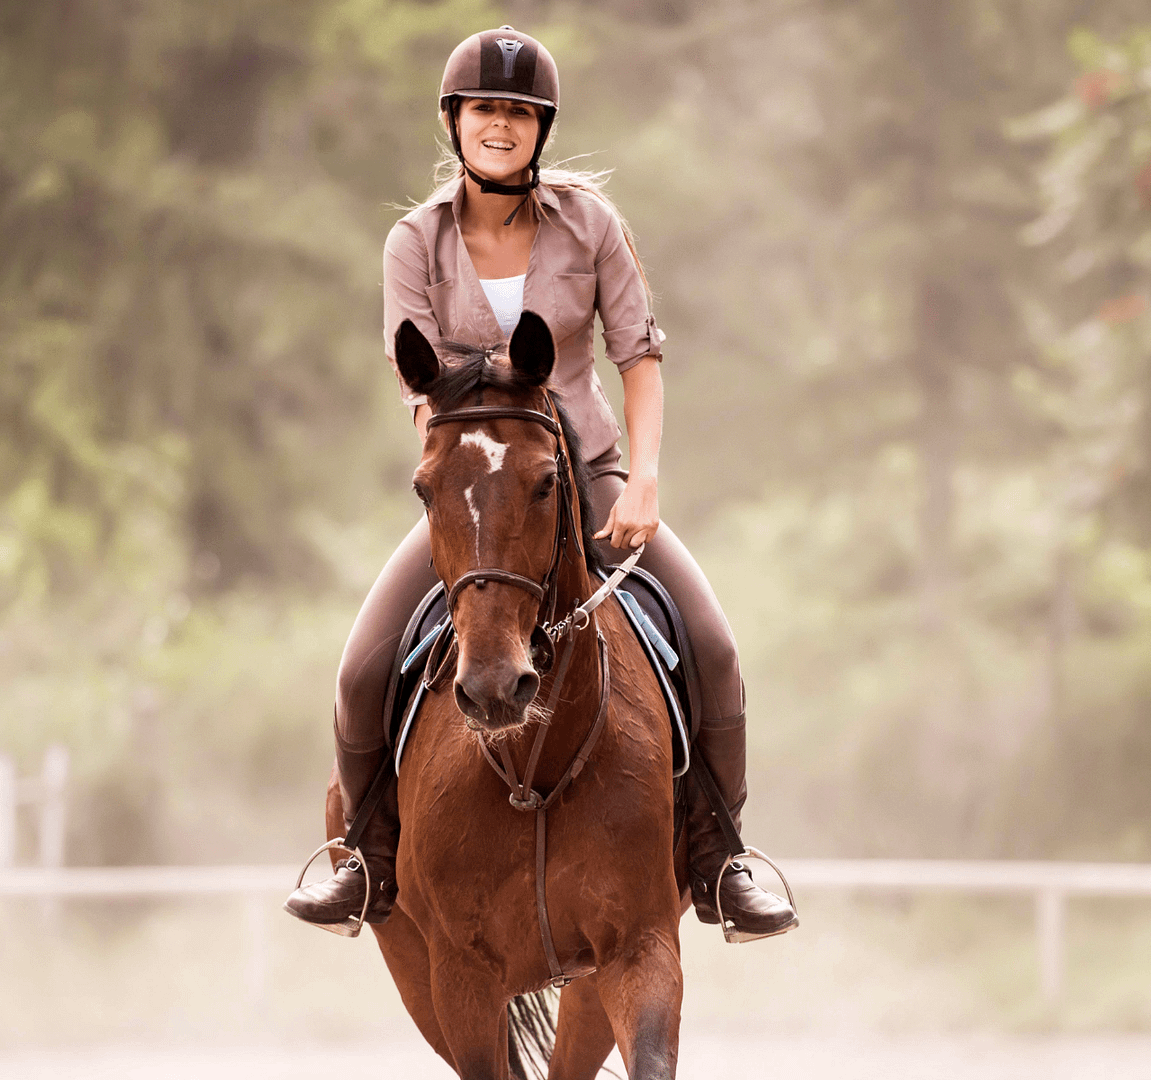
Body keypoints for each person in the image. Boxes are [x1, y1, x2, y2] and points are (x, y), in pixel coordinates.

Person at [285, 26, 796, 940]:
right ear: (456, 120)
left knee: (713, 647)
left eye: (519, 113)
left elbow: (638, 360)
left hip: (588, 471)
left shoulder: (592, 228)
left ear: (540, 129)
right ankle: (366, 857)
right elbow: (419, 388)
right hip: (478, 488)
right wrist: (465, 486)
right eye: (486, 109)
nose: (501, 125)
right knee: (363, 667)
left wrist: (641, 480)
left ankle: (723, 861)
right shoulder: (414, 241)